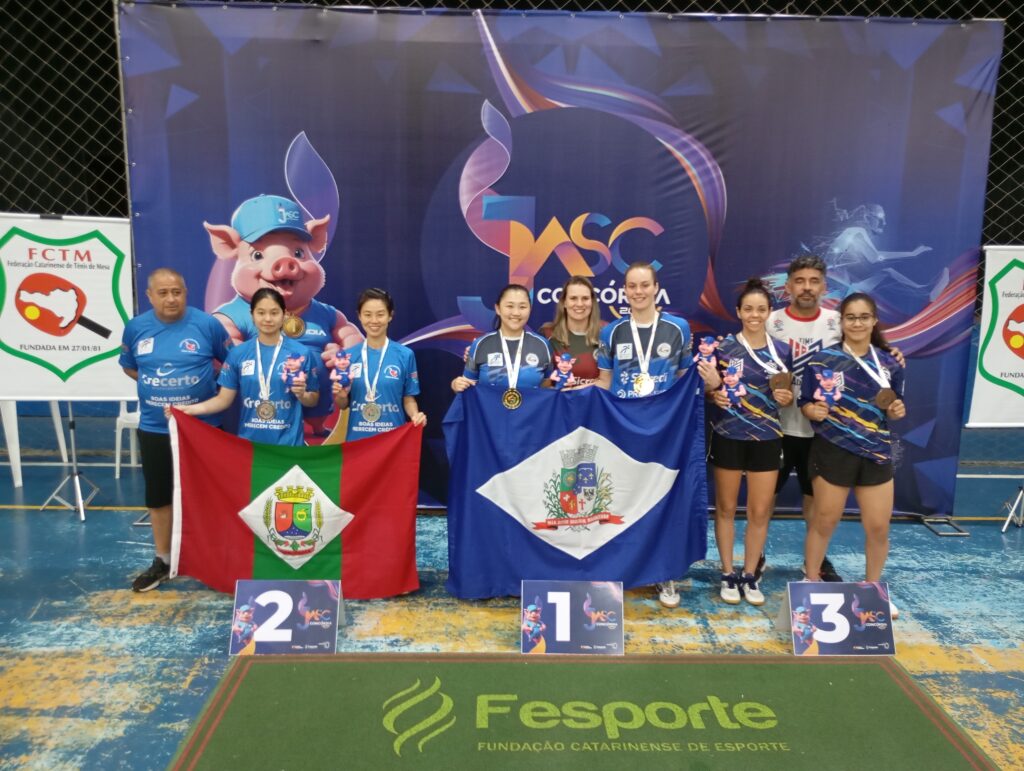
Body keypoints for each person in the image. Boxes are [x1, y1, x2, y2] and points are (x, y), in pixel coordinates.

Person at [596, 261, 720, 608]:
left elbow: (683, 379)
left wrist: (710, 384)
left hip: (665, 429)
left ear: (655, 288)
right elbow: (605, 383)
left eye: (644, 285)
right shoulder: (612, 332)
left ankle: (664, 574)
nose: (638, 292)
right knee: (620, 498)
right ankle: (617, 568)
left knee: (662, 500)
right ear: (625, 291)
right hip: (622, 426)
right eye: (631, 286)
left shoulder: (677, 328)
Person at [119, 268, 231, 592]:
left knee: (209, 496)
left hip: (203, 429)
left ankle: (213, 560)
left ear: (186, 292)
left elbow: (231, 364)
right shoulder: (136, 328)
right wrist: (158, 386)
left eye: (177, 291)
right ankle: (163, 560)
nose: (171, 298)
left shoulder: (207, 325)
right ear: (150, 295)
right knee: (158, 496)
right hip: (155, 428)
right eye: (163, 292)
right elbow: (130, 367)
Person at [799, 292, 906, 616]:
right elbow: (805, 402)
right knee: (824, 521)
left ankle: (873, 590)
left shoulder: (890, 363)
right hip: (833, 449)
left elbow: (895, 406)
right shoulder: (821, 362)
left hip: (875, 453)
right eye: (851, 317)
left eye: (863, 317)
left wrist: (899, 410)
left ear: (873, 321)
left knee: (878, 526)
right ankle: (811, 582)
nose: (857, 323)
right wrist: (811, 410)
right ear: (841, 322)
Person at [708, 278, 793, 606]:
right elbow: (710, 390)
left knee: (759, 512)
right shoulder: (724, 348)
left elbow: (788, 396)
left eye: (761, 309)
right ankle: (728, 573)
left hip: (767, 438)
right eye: (748, 309)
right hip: (729, 436)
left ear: (770, 312)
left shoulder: (782, 351)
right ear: (738, 312)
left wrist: (786, 398)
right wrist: (714, 393)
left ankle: (750, 573)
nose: (754, 315)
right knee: (726, 508)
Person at [766, 254, 846, 581]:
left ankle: (816, 560)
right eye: (800, 281)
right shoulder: (771, 322)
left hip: (821, 430)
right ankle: (756, 556)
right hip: (777, 426)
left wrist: (891, 351)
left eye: (814, 281)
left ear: (824, 287)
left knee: (815, 500)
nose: (807, 288)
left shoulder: (837, 322)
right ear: (788, 287)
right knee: (765, 496)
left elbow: (864, 353)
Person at [173, 288, 318, 446]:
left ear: (284, 315)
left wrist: (303, 394)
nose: (268, 319)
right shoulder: (238, 354)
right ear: (252, 315)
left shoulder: (301, 353)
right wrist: (187, 410)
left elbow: (313, 401)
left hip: (289, 446)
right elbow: (223, 400)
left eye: (274, 313)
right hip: (250, 447)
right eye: (261, 313)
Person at [333, 287, 426, 439]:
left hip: (392, 442)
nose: (374, 321)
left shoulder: (405, 355)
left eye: (380, 314)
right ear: (359, 317)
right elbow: (343, 404)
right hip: (358, 442)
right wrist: (341, 396)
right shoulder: (347, 357)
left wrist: (416, 416)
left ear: (390, 316)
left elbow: (408, 398)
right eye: (368, 315)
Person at [451, 284, 554, 403]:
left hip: (531, 419)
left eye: (522, 307)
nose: (516, 312)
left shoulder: (543, 345)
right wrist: (456, 385)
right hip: (489, 420)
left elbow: (546, 388)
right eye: (510, 306)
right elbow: (467, 388)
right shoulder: (480, 345)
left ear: (530, 309)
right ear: (498, 309)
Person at [539, 276, 603, 388]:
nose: (579, 304)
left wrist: (575, 392)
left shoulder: (606, 333)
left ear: (592, 302)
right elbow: (541, 384)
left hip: (596, 404)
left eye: (585, 298)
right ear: (564, 302)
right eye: (573, 298)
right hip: (559, 403)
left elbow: (610, 380)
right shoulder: (547, 334)